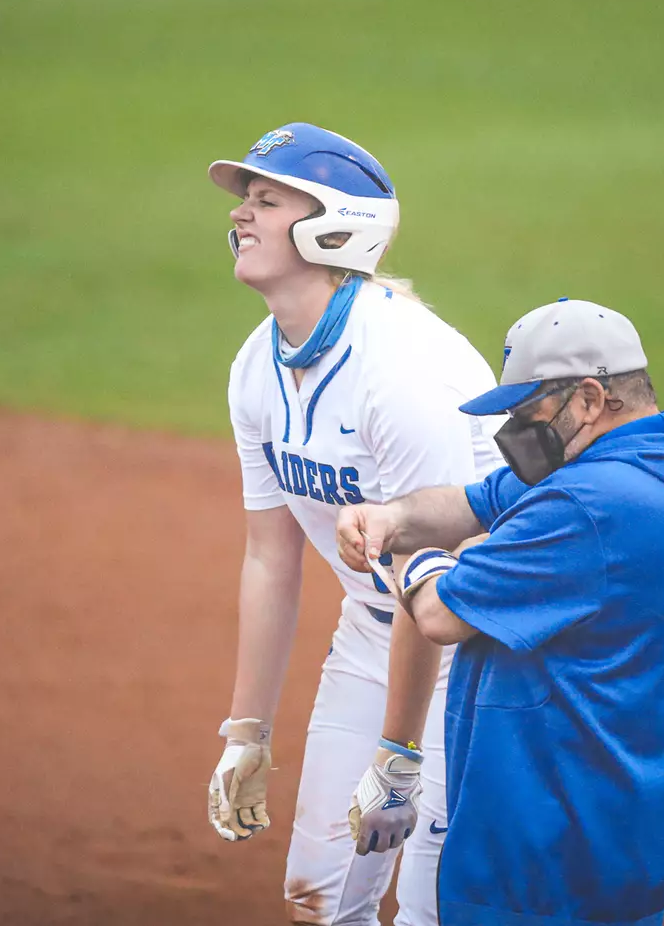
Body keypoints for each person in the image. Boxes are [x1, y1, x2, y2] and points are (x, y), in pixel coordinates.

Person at [336, 298, 664, 926]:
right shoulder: (640, 469)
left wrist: (416, 561)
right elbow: (474, 502)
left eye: (529, 411)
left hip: (545, 859)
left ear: (587, 398)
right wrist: (395, 519)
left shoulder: (590, 505)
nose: (515, 430)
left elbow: (439, 613)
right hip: (614, 836)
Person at [205, 122, 504, 926]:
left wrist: (399, 755)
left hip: (478, 655)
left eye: (266, 201)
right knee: (319, 900)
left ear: (334, 225)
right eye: (245, 202)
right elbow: (271, 559)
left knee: (430, 912)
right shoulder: (254, 368)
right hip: (374, 635)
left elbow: (431, 583)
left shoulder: (402, 373)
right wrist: (248, 733)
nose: (240, 216)